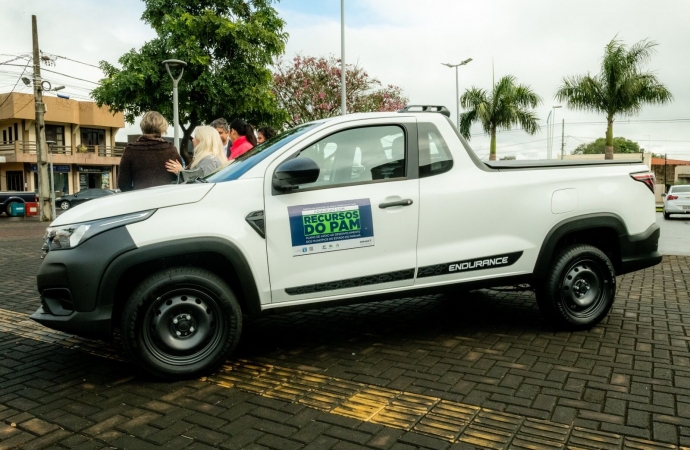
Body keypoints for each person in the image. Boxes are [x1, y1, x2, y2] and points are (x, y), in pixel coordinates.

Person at [118, 111, 182, 191]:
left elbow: (123, 184)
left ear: (143, 126)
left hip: (141, 200)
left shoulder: (131, 150)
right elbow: (180, 180)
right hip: (167, 200)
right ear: (163, 128)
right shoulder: (171, 150)